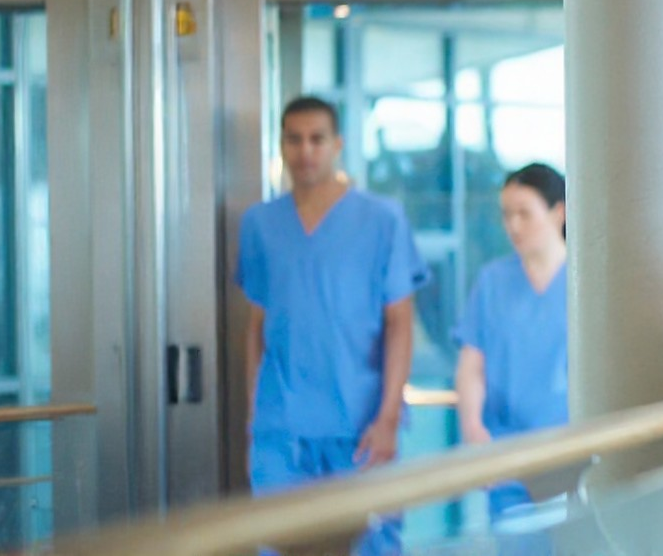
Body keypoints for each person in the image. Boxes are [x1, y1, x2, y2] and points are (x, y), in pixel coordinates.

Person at [238, 96, 430, 555]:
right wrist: (255, 412)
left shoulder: (382, 220)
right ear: (281, 145)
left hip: (360, 425)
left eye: (317, 139)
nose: (306, 150)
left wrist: (387, 418)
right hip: (281, 429)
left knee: (370, 547)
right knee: (278, 545)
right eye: (294, 139)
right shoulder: (260, 224)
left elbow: (399, 323)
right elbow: (257, 325)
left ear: (337, 144)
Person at [453, 163, 570, 518]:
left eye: (524, 213)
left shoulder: (587, 281)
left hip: (574, 453)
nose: (513, 226)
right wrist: (474, 430)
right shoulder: (493, 282)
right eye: (507, 215)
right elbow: (471, 366)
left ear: (558, 212)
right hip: (506, 456)